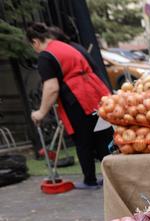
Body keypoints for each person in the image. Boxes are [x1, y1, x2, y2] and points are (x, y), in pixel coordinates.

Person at [27, 23, 112, 189]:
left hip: (77, 97)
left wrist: (41, 112)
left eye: (32, 46)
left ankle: (90, 180)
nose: (34, 49)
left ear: (35, 41)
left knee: (83, 140)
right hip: (95, 92)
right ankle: (111, 177)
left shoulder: (46, 56)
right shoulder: (65, 46)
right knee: (102, 136)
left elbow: (51, 88)